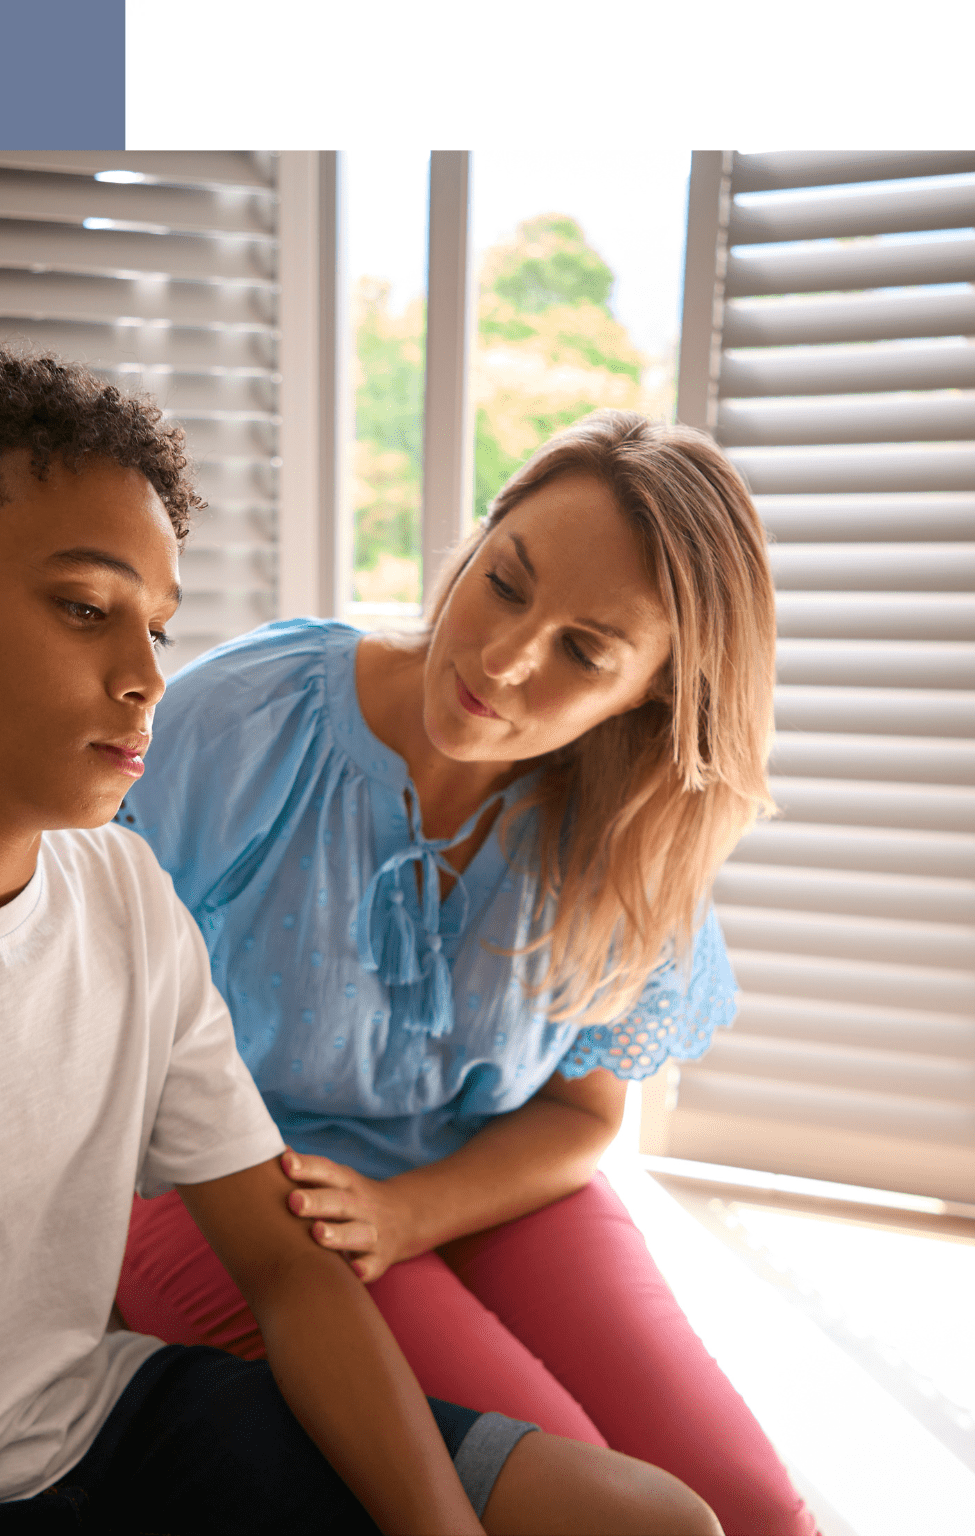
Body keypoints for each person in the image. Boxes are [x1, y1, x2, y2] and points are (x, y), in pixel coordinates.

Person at [0, 339, 720, 1536]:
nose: (148, 675)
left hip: (103, 1418)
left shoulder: (126, 894)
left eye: (156, 622)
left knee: (659, 1519)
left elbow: (289, 1270)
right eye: (86, 609)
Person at [105, 412, 821, 1536]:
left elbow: (582, 1112)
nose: (501, 658)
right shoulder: (244, 718)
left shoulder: (625, 828)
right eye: (504, 582)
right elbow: (55, 959)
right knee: (592, 1508)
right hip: (231, 1185)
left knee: (750, 1513)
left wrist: (410, 1213)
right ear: (477, 540)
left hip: (475, 1174)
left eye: (584, 651)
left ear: (650, 695)